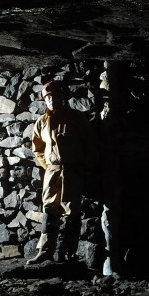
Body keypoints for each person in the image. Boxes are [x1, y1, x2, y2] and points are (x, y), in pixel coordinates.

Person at [27, 79, 96, 264]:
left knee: (71, 211)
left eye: (54, 96)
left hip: (72, 170)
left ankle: (68, 252)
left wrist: (84, 166)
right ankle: (45, 250)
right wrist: (48, 166)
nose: (50, 100)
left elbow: (90, 143)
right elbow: (38, 148)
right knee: (49, 209)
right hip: (53, 171)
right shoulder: (41, 122)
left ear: (61, 97)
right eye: (47, 97)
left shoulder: (76, 119)